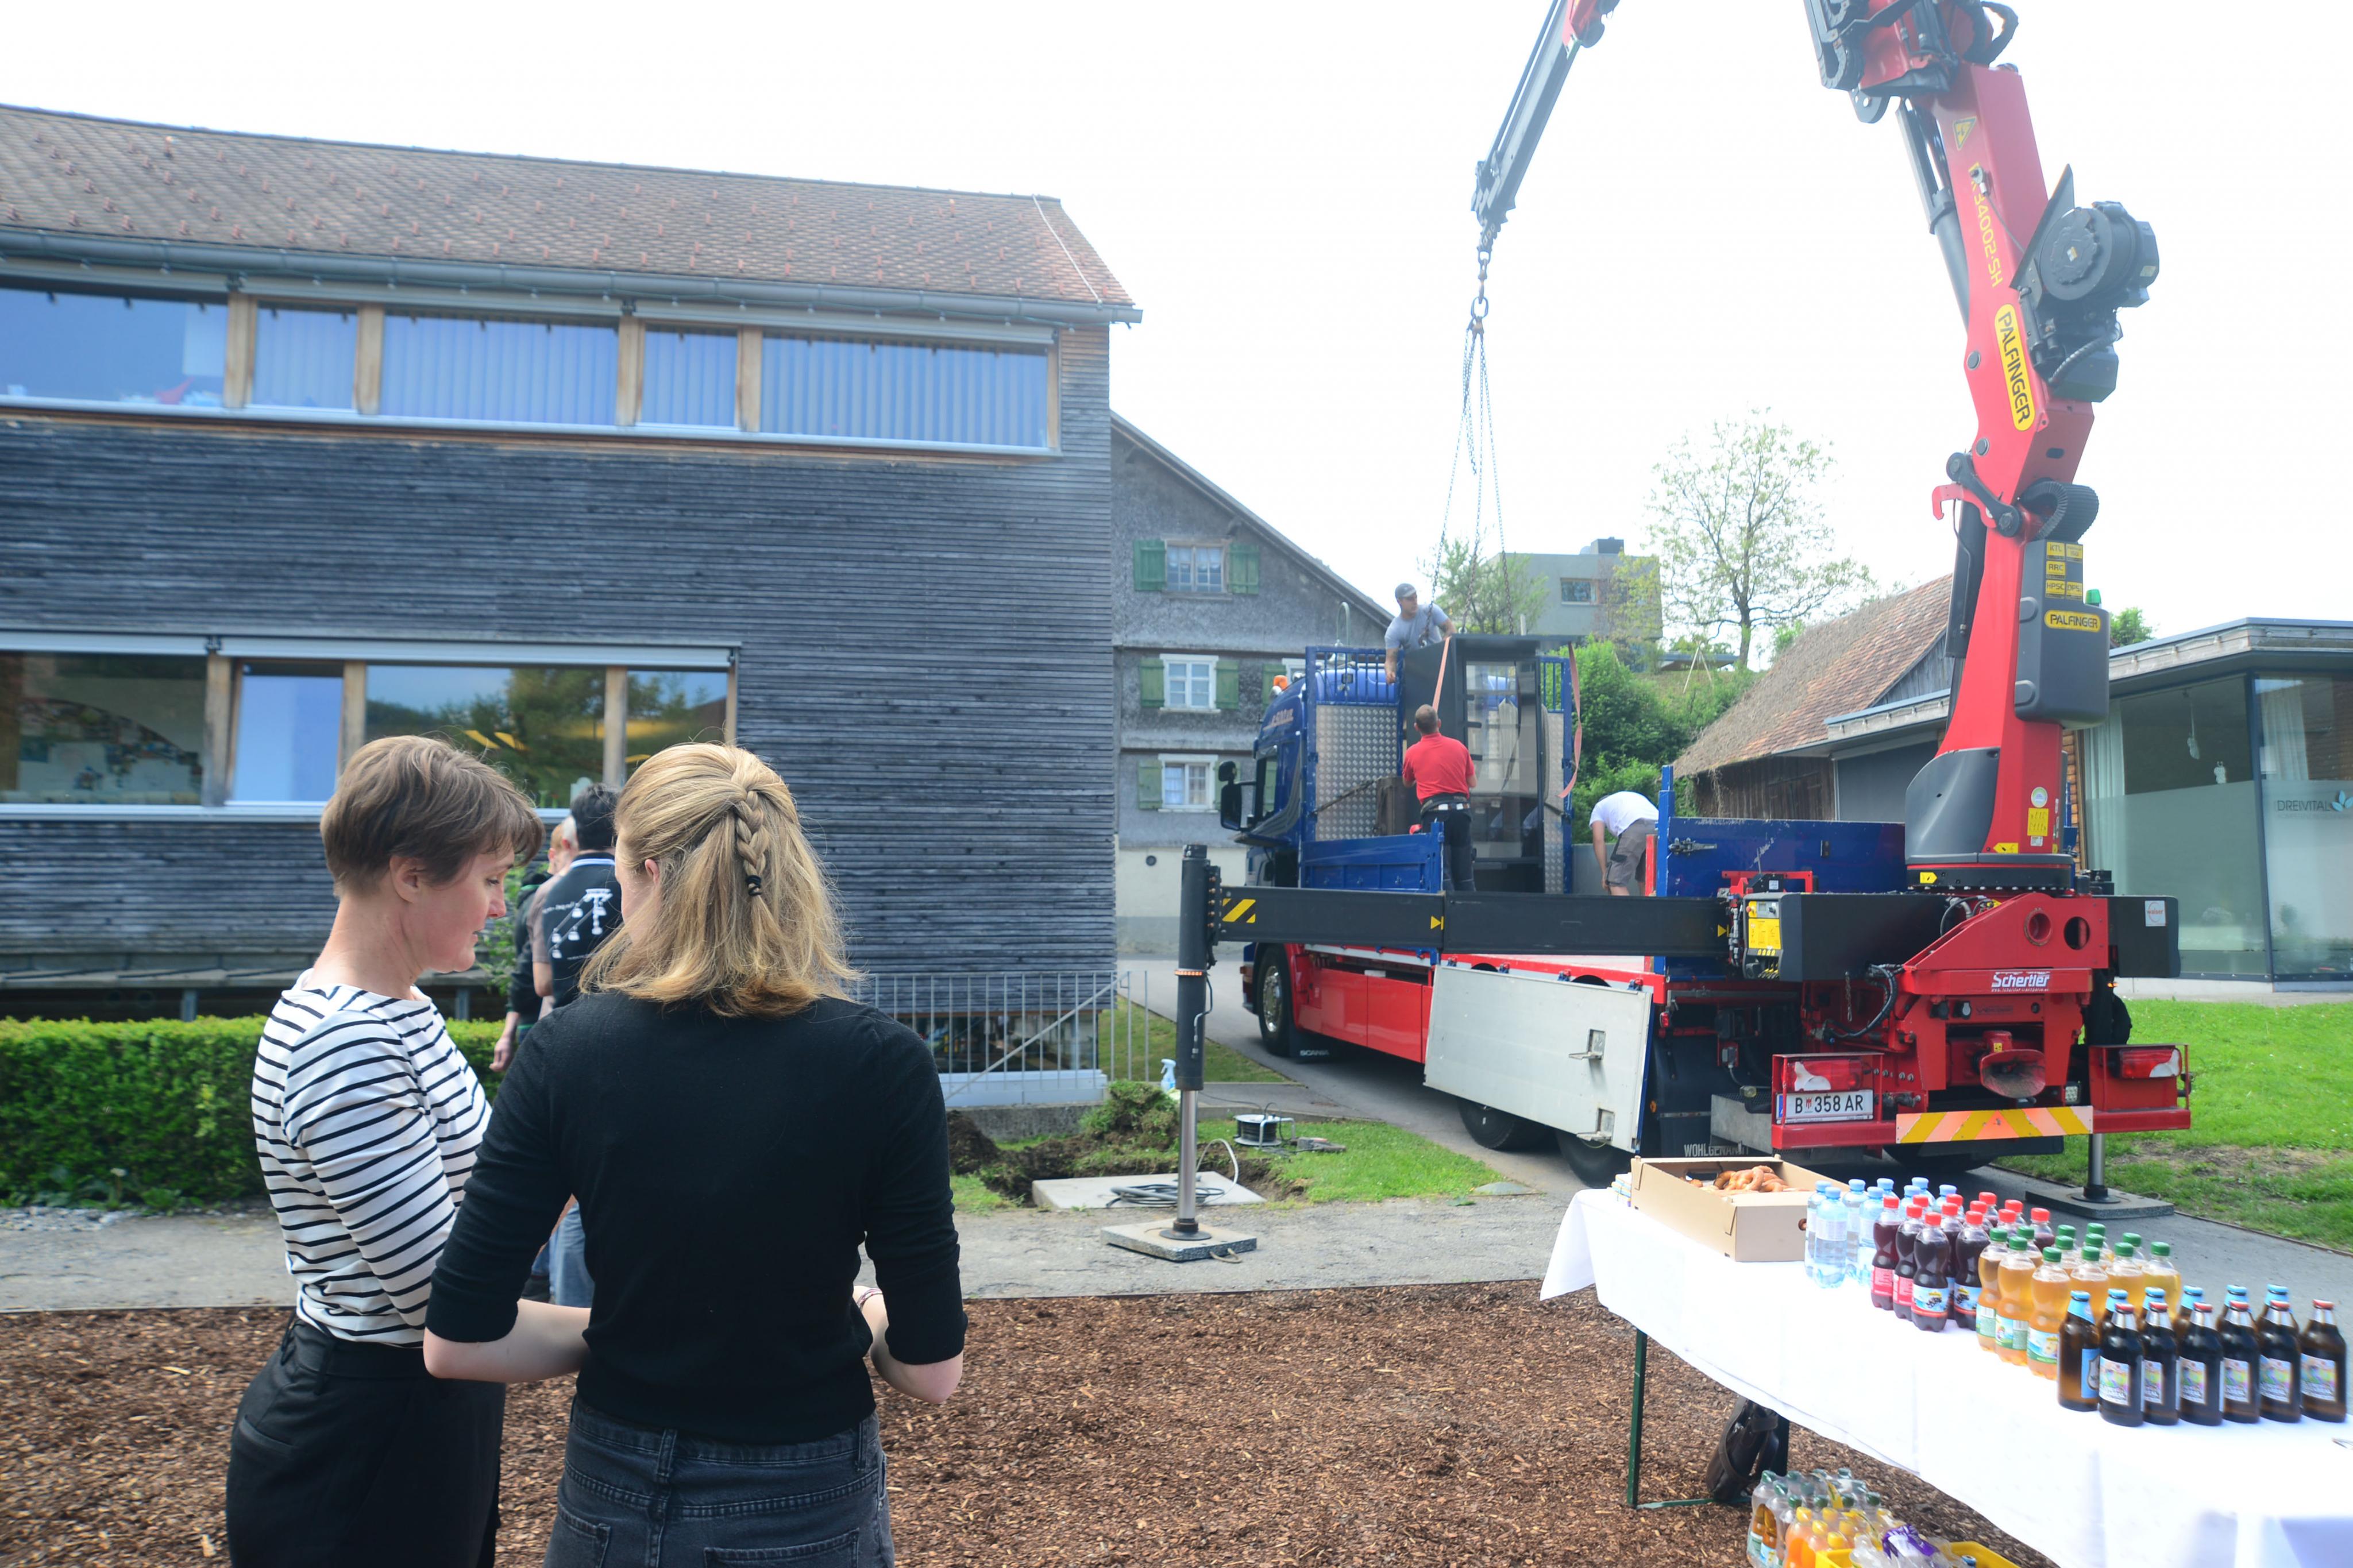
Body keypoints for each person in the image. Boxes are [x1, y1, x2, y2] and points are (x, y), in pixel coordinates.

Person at [423, 743, 964, 1568]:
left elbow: (458, 1341)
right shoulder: (884, 1064)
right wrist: (868, 1311)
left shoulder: (566, 1051)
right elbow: (931, 1372)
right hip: (806, 1497)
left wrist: (635, 1334)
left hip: (614, 1489)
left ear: (647, 873)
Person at [229, 735, 542, 1568]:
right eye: (490, 880)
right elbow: (445, 1303)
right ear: (410, 875)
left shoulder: (399, 1009)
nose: (501, 908)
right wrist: (638, 1335)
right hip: (364, 1450)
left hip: (413, 1424)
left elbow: (496, 1195)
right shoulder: (346, 1043)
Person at [531, 787, 623, 1311]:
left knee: (572, 1186)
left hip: (566, 1039)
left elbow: (543, 983)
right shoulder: (631, 883)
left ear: (574, 829)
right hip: (620, 1037)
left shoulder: (553, 890)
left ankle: (569, 1307)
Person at [491, 816, 572, 1075]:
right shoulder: (548, 897)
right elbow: (527, 969)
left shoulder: (536, 895)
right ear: (554, 856)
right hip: (540, 1017)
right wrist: (509, 1031)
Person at [1401, 704, 1478, 893]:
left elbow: (1407, 783)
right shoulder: (1459, 747)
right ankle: (1470, 907)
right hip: (1462, 813)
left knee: (1442, 873)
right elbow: (1473, 782)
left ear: (1416, 728)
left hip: (1435, 815)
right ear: (1439, 723)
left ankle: (1446, 908)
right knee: (1465, 873)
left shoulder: (1412, 753)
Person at [1590, 787, 1659, 897]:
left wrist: (1605, 873)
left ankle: (1626, 909)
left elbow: (1598, 840)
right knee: (1647, 879)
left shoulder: (1599, 807)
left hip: (1635, 825)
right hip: (1660, 827)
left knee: (1615, 881)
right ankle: (1649, 908)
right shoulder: (1625, 798)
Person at [1383, 582, 1455, 682]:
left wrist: (1441, 650)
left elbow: (1451, 630)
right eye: (1410, 599)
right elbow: (1391, 660)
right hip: (1417, 674)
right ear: (1399, 601)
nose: (1415, 602)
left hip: (1440, 668)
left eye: (1416, 597)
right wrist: (1390, 673)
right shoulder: (1395, 630)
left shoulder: (1430, 610)